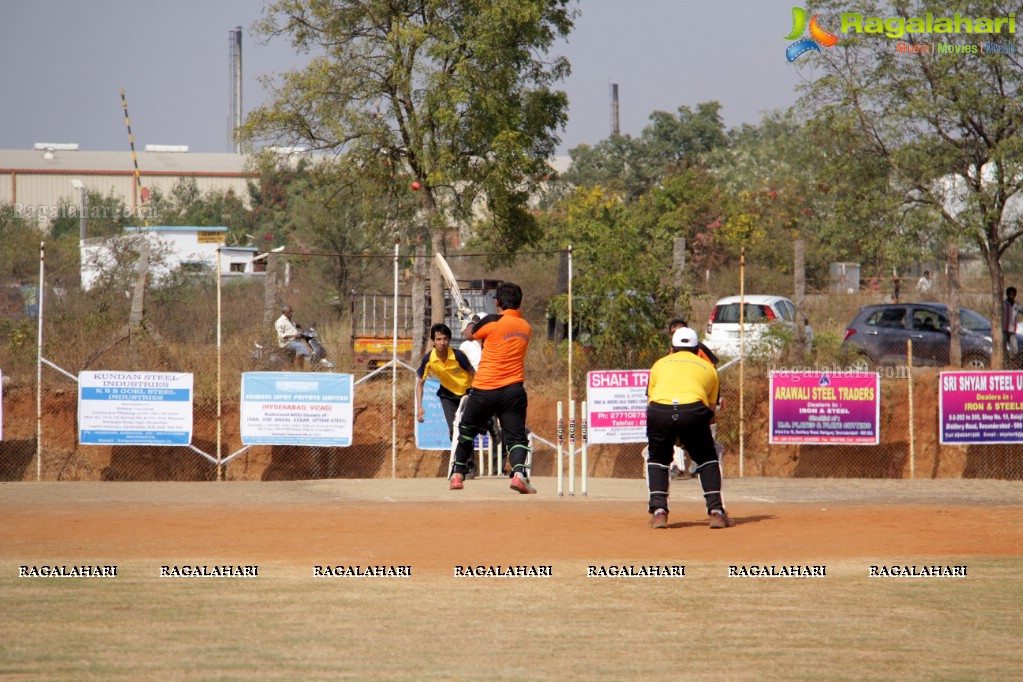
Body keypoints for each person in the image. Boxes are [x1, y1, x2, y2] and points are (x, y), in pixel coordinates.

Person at [645, 326, 734, 529]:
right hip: (693, 412)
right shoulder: (709, 368)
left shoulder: (658, 364)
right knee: (706, 459)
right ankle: (716, 512)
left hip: (659, 412)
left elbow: (651, 402)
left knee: (658, 459)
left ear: (672, 347)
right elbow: (711, 413)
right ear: (697, 349)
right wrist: (691, 434)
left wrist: (670, 430)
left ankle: (659, 512)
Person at [449, 282, 533, 493]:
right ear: (519, 302)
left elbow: (470, 334)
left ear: (496, 302)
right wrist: (475, 321)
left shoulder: (492, 321)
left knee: (467, 430)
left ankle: (458, 474)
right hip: (513, 389)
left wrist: (469, 321)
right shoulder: (525, 327)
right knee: (516, 436)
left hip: (485, 388)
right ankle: (519, 474)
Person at [663, 318, 721, 480]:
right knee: (676, 430)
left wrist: (713, 400)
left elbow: (713, 373)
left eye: (681, 331)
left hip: (701, 395)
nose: (678, 335)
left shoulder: (699, 349)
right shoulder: (671, 352)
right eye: (674, 333)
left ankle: (702, 461)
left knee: (707, 426)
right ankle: (677, 465)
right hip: (680, 396)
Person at [415, 324, 476, 476]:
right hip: (447, 395)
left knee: (466, 429)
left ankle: (470, 465)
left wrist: (476, 392)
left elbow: (473, 373)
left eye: (445, 339)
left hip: (467, 393)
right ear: (433, 341)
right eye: (438, 339)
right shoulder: (429, 359)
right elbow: (420, 384)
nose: (442, 342)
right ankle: (463, 465)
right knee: (453, 430)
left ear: (449, 340)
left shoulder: (458, 355)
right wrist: (420, 407)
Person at [275, 304, 312, 369]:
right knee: (301, 346)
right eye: (290, 312)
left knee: (291, 363)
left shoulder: (290, 321)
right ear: (285, 312)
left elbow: (294, 331)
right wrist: (294, 335)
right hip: (286, 343)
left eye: (292, 311)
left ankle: (299, 368)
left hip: (294, 342)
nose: (291, 313)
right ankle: (307, 361)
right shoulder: (280, 321)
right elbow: (281, 336)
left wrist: (302, 335)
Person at [1003, 287, 1022, 363]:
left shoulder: (1017, 305)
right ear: (1007, 294)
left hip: (1012, 330)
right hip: (1003, 330)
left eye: (1013, 294)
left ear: (1015, 295)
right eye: (1010, 294)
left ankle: (1011, 361)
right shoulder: (1003, 304)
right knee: (1003, 348)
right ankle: (1005, 362)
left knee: (1015, 349)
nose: (1011, 296)